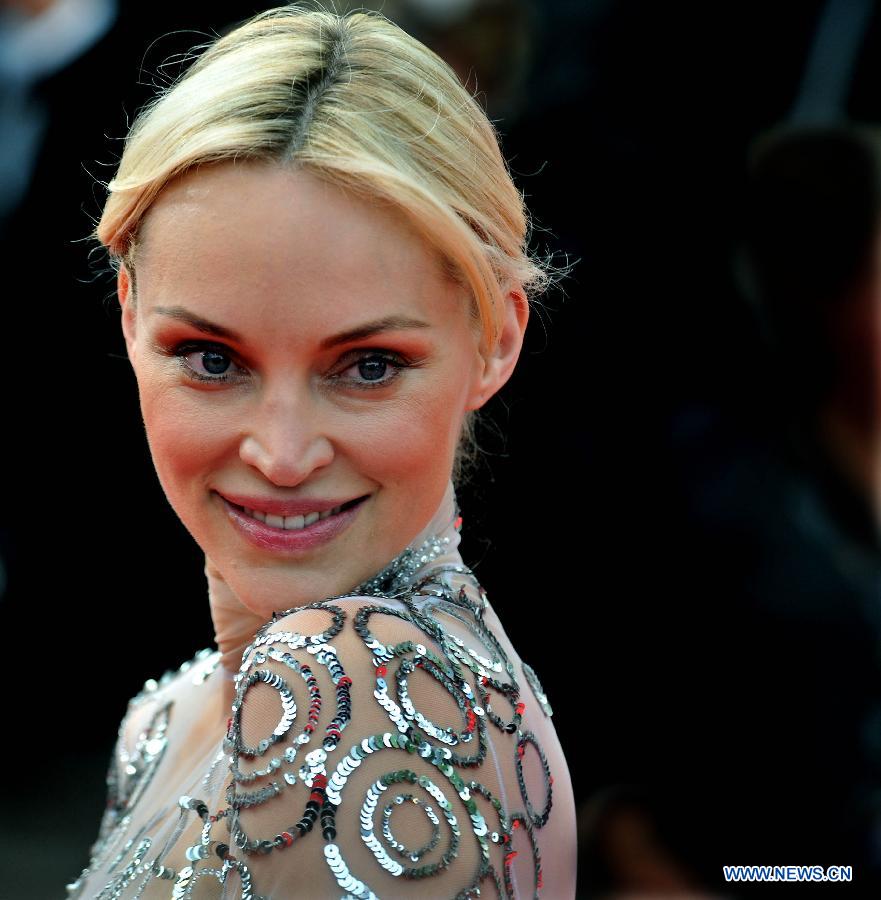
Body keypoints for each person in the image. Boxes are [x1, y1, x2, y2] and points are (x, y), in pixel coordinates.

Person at [65, 4, 576, 898]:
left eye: (368, 366)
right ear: (128, 317)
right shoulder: (166, 717)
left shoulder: (338, 686)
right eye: (212, 359)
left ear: (496, 339)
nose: (283, 452)